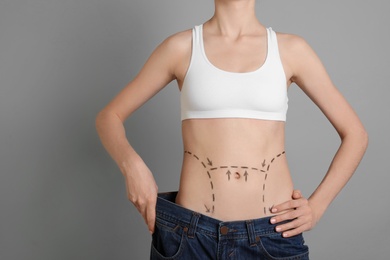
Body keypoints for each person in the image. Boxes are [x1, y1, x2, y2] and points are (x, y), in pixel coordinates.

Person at [95, 0, 368, 259]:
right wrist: (133, 166)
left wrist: (317, 207)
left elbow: (356, 135)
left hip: (272, 236)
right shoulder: (181, 47)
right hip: (190, 239)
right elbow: (109, 116)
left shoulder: (291, 50)